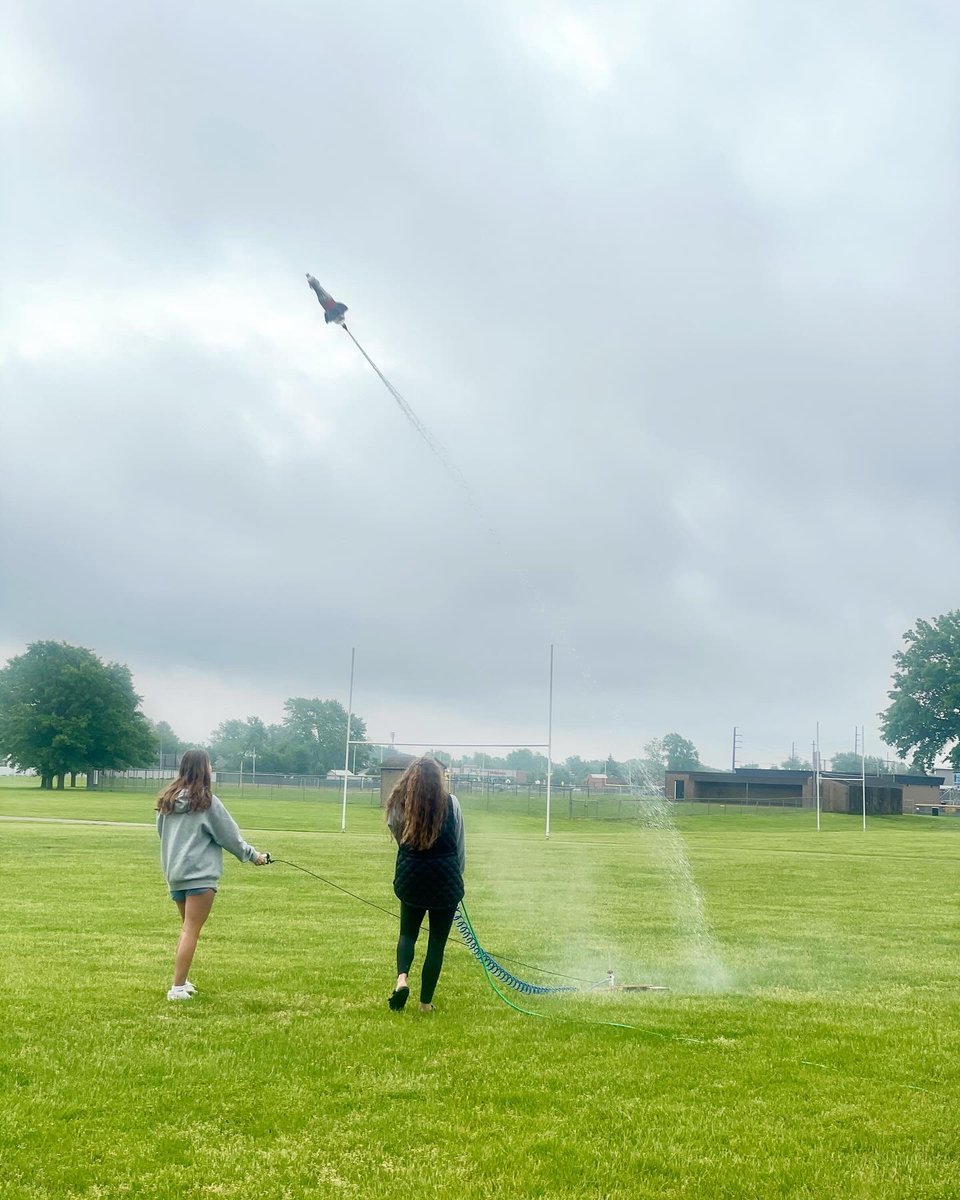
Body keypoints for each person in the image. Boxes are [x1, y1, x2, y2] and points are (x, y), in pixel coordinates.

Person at [156, 748, 268, 1001]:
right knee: (191, 931)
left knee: (186, 928)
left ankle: (182, 982)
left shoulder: (167, 802)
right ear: (205, 769)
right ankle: (176, 988)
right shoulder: (207, 803)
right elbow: (230, 837)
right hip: (200, 877)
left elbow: (162, 835)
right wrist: (254, 856)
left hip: (175, 875)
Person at [385, 757, 465, 1013]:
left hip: (412, 880)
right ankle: (425, 1003)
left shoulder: (400, 804)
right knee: (436, 945)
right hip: (445, 880)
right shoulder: (451, 803)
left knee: (407, 934)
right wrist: (457, 876)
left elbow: (396, 833)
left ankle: (401, 979)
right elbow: (459, 844)